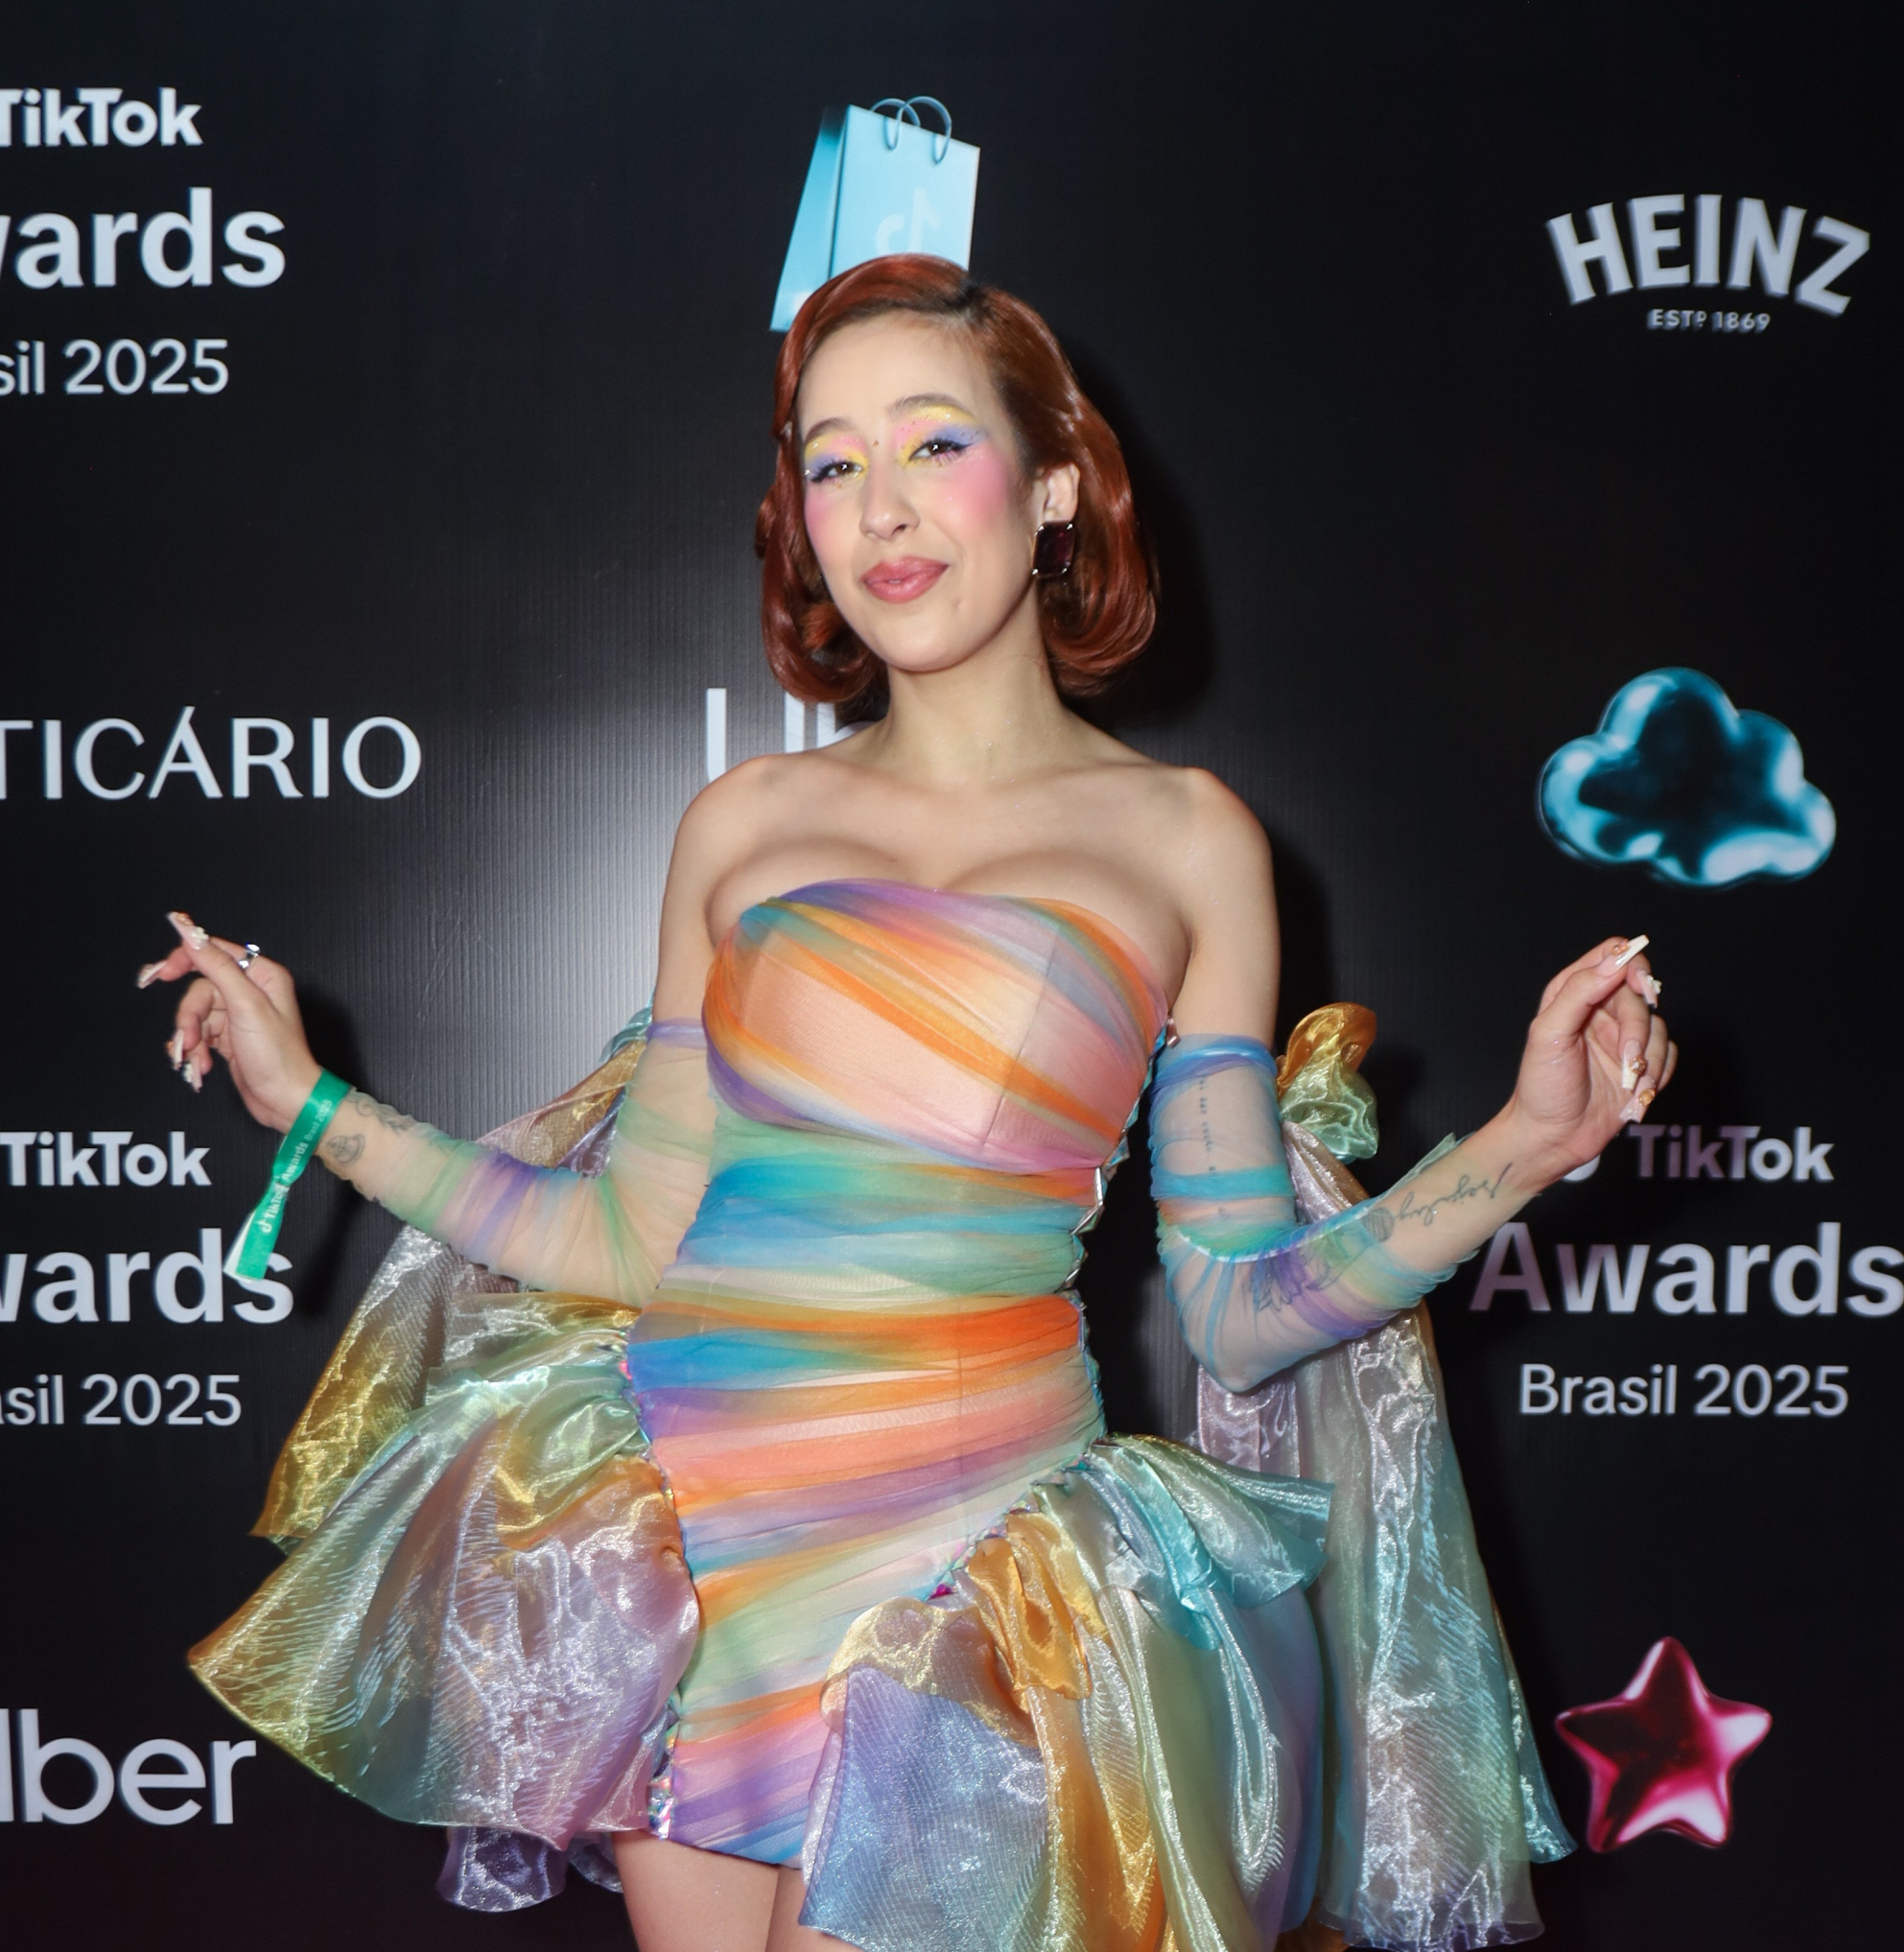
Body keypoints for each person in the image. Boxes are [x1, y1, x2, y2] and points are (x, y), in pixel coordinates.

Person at [147, 254, 1673, 1952]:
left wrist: (1531, 1143)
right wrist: (313, 1101)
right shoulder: (742, 826)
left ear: (1056, 489)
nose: (881, 505)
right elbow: (628, 1238)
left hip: (964, 1591)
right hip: (689, 1564)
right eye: (832, 461)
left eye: (935, 442)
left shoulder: (1187, 840)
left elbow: (1241, 1313)